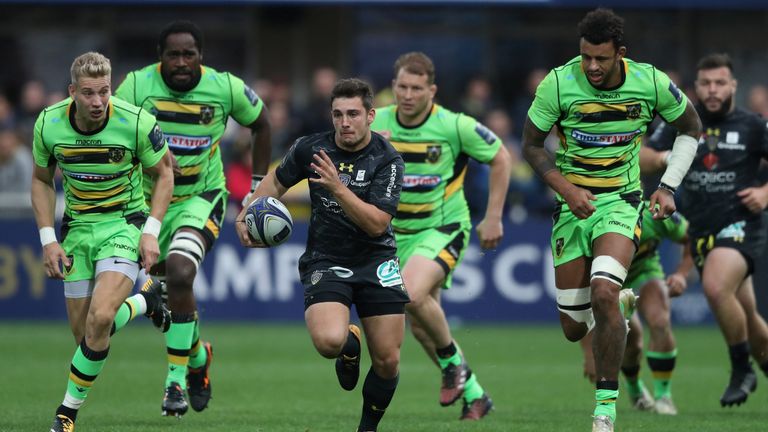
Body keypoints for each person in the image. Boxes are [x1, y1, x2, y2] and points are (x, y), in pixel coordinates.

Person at [521, 9, 702, 432]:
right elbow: (531, 145)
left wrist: (668, 185)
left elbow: (691, 128)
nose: (592, 67)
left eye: (601, 58)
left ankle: (605, 409)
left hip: (622, 202)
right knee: (571, 327)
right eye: (586, 57)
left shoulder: (651, 82)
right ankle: (617, 306)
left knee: (603, 291)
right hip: (571, 206)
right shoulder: (559, 83)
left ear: (621, 53)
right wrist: (566, 189)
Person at [114, 20, 272, 416]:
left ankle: (174, 384)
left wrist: (255, 186)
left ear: (201, 56)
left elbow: (262, 122)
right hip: (146, 203)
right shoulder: (135, 87)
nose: (181, 62)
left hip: (201, 197)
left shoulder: (225, 87)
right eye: (173, 54)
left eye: (189, 54)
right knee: (169, 294)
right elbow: (113, 132)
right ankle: (199, 358)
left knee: (181, 274)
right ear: (159, 57)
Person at [235, 78, 408, 432]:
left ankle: (367, 427)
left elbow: (377, 224)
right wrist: (247, 213)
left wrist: (336, 188)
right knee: (328, 342)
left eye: (353, 114)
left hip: (377, 261)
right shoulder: (310, 149)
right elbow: (275, 183)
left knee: (388, 361)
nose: (345, 122)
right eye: (338, 114)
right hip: (327, 259)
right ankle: (348, 343)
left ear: (370, 115)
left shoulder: (387, 159)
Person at [31, 52, 174, 432]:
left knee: (101, 318)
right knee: (87, 338)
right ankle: (147, 299)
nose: (98, 102)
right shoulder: (48, 123)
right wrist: (48, 240)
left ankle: (66, 414)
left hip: (123, 225)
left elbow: (164, 174)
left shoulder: (137, 122)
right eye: (89, 94)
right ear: (72, 92)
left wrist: (150, 232)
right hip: (77, 227)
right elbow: (42, 180)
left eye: (105, 92)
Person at [371, 52, 511, 420]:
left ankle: (452, 365)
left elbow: (501, 157)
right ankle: (477, 395)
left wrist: (493, 216)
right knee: (421, 325)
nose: (407, 94)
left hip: (443, 226)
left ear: (431, 90)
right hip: (395, 235)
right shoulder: (377, 123)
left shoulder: (455, 125)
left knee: (412, 294)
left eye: (416, 88)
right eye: (401, 86)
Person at [646, 53, 768, 408]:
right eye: (706, 83)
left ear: (733, 85)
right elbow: (643, 156)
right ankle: (758, 362)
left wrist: (764, 192)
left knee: (714, 287)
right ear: (695, 88)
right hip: (700, 231)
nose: (713, 90)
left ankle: (740, 368)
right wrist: (665, 159)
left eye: (720, 82)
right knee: (746, 314)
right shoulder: (682, 123)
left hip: (740, 224)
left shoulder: (752, 125)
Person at [580, 205, 693, 416]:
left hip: (645, 273)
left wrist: (681, 274)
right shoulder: (593, 218)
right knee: (632, 341)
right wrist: (588, 354)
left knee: (659, 321)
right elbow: (584, 292)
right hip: (610, 283)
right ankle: (636, 390)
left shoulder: (653, 214)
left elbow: (691, 238)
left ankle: (663, 396)